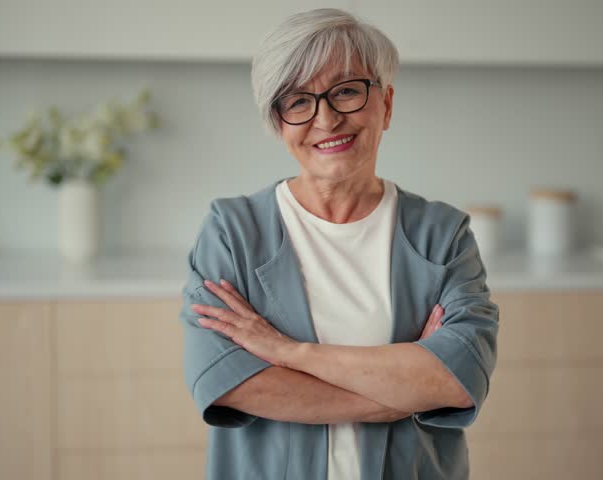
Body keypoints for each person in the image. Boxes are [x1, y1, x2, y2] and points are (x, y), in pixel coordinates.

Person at [177, 8, 499, 480]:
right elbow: (227, 384)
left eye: (347, 91)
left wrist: (290, 354)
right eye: (298, 101)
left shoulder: (441, 234)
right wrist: (394, 397)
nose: (326, 119)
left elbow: (457, 377)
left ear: (385, 104)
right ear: (278, 121)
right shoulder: (233, 232)